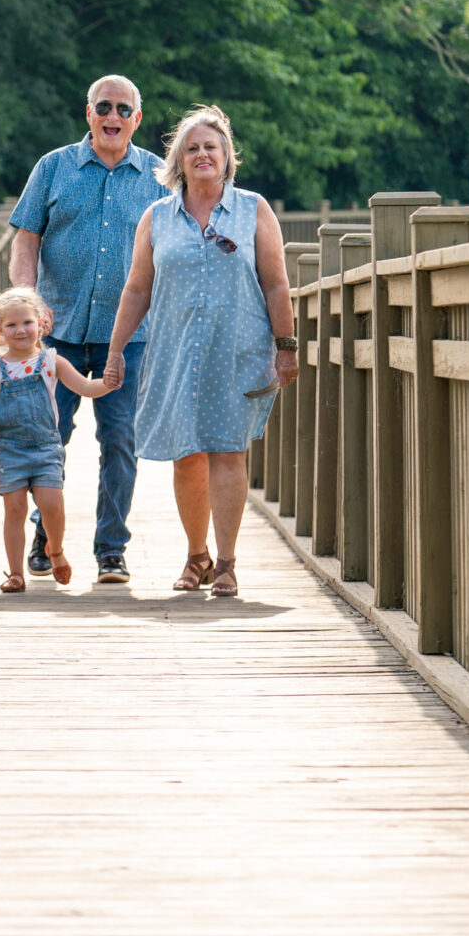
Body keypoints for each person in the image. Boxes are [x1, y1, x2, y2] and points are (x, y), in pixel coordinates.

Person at [103, 106, 298, 597]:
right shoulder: (157, 217)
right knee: (187, 456)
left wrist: (286, 346)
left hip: (237, 350)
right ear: (179, 161)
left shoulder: (254, 209)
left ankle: (228, 563)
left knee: (228, 452)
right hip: (175, 352)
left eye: (211, 146)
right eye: (192, 148)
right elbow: (136, 290)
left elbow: (276, 284)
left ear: (227, 156)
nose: (202, 154)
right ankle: (197, 558)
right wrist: (116, 350)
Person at [8, 74, 168, 584]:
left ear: (137, 119)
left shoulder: (161, 177)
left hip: (130, 335)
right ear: (89, 112)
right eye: (105, 107)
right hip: (57, 330)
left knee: (120, 440)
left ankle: (111, 550)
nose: (113, 117)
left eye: (124, 109)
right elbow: (25, 240)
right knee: (47, 436)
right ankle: (45, 536)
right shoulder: (53, 167)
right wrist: (27, 301)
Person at [0, 287, 117, 593]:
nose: (20, 330)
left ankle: (55, 549)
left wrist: (109, 383)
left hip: (45, 448)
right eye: (11, 325)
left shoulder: (52, 361)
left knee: (51, 503)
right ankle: (15, 572)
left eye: (26, 322)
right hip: (9, 449)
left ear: (40, 324)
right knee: (14, 509)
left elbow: (86, 388)